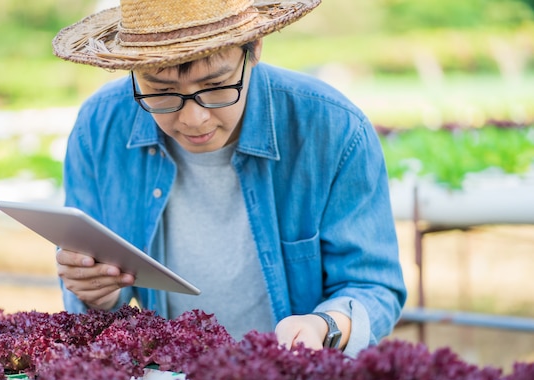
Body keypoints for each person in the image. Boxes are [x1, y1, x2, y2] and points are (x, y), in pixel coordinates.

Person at [51, 0, 407, 357]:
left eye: (216, 86)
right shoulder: (99, 128)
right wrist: (101, 292)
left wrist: (324, 326)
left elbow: (372, 285)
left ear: (254, 49)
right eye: (161, 92)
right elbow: (94, 288)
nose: (194, 118)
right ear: (131, 70)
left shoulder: (333, 127)